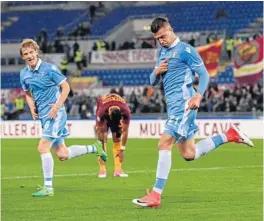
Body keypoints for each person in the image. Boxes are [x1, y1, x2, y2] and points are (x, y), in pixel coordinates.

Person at [132, 17, 254, 208]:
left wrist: (198, 95)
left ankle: (155, 195)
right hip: (172, 107)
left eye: (163, 36)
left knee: (164, 143)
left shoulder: (186, 51)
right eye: (157, 38)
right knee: (189, 153)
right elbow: (152, 81)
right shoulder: (162, 52)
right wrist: (156, 72)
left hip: (184, 106)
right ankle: (229, 135)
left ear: (170, 29)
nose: (161, 41)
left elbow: (204, 74)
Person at [19, 39, 107, 197]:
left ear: (37, 52)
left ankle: (48, 187)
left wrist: (56, 106)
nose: (29, 55)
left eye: (31, 52)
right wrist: (32, 107)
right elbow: (27, 93)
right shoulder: (24, 74)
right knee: (62, 154)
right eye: (26, 53)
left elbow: (66, 86)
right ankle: (96, 148)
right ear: (23, 57)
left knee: (42, 147)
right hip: (44, 116)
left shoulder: (49, 68)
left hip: (56, 114)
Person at [95, 93, 131, 178]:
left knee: (117, 138)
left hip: (116, 112)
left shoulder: (126, 111)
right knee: (103, 137)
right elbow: (99, 132)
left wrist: (122, 149)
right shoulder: (102, 111)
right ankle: (102, 170)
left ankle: (118, 170)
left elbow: (125, 131)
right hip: (103, 112)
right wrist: (101, 150)